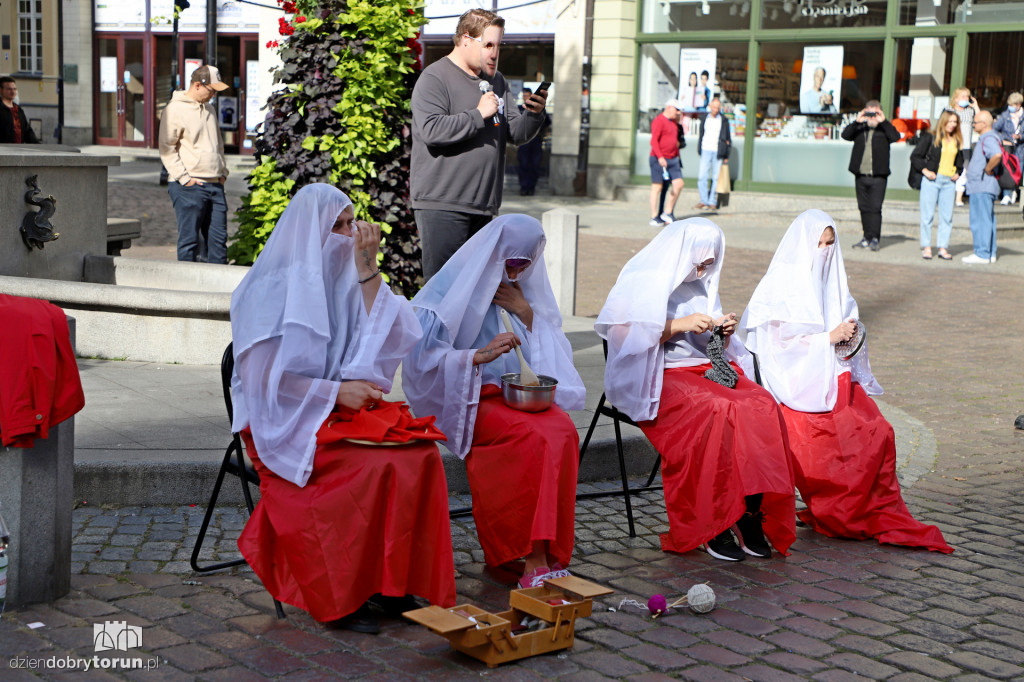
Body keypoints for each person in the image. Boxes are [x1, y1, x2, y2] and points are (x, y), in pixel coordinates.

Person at [230, 184, 456, 634]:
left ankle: (392, 584)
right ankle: (342, 593)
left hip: (335, 410)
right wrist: (335, 393)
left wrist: (368, 268)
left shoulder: (347, 275)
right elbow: (265, 385)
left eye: (353, 223)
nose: (351, 234)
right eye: (339, 226)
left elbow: (391, 329)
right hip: (283, 421)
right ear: (309, 231)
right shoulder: (266, 291)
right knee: (367, 469)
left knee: (419, 456)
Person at [740, 210, 952, 554]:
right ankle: (839, 510)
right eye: (818, 244)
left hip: (830, 375)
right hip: (792, 385)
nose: (824, 251)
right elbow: (775, 349)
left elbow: (846, 323)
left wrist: (849, 332)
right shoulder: (780, 284)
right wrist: (827, 337)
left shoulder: (832, 276)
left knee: (877, 430)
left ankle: (860, 508)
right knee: (832, 439)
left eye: (830, 244)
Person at [595, 218, 796, 562]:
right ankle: (712, 519)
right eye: (699, 263)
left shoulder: (701, 283)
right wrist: (676, 326)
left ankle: (749, 509)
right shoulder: (642, 278)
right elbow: (621, 338)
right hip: (656, 374)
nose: (703, 271)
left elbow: (707, 344)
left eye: (709, 265)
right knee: (715, 411)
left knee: (762, 404)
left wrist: (722, 331)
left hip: (703, 370)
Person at [402, 214, 585, 588]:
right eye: (511, 263)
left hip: (517, 396)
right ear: (495, 254)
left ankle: (549, 550)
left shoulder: (522, 293)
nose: (516, 274)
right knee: (533, 438)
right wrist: (476, 356)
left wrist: (526, 313)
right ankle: (529, 555)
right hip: (473, 400)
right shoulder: (450, 291)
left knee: (563, 430)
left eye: (525, 265)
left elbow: (555, 356)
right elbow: (420, 364)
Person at [411, 9, 549, 280]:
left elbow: (516, 133)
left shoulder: (497, 81)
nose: (495, 53)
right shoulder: (434, 77)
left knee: (475, 293)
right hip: (443, 204)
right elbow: (431, 130)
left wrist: (533, 114)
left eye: (499, 45)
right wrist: (478, 115)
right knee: (443, 293)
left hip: (484, 206)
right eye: (488, 45)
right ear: (465, 40)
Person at [158, 65, 230, 265]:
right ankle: (187, 292)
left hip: (215, 183)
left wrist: (222, 172)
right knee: (189, 242)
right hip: (189, 186)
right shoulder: (174, 110)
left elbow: (218, 143)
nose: (214, 94)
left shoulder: (210, 109)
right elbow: (166, 147)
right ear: (198, 85)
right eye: (211, 90)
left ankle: (218, 292)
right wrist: (184, 178)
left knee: (219, 242)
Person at [841, 100, 900, 252]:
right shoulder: (860, 128)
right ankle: (866, 237)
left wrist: (883, 121)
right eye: (869, 112)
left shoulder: (884, 129)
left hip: (879, 176)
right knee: (863, 208)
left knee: (875, 208)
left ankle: (874, 238)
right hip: (860, 175)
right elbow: (845, 135)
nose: (872, 117)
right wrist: (858, 120)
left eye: (875, 113)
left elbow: (895, 136)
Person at [910, 108, 963, 260]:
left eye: (955, 122)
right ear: (943, 121)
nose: (952, 125)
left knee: (947, 217)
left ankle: (943, 247)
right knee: (927, 216)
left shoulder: (957, 139)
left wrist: (958, 172)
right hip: (932, 180)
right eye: (950, 121)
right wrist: (925, 171)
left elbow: (960, 161)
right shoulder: (931, 137)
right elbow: (915, 157)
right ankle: (927, 247)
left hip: (949, 182)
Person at [963, 110, 1002, 264]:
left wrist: (987, 169)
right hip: (984, 185)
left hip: (982, 185)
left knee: (980, 220)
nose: (973, 125)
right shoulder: (990, 137)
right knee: (987, 219)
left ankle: (982, 253)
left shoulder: (988, 138)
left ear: (984, 124)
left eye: (975, 122)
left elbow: (997, 155)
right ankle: (989, 252)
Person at [649, 98, 684, 226]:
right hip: (659, 158)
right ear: (669, 107)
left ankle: (667, 212)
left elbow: (675, 142)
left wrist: (677, 156)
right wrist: (660, 157)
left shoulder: (674, 123)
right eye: (677, 110)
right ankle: (654, 216)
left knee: (679, 183)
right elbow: (654, 141)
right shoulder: (659, 121)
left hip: (673, 159)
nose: (678, 112)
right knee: (657, 187)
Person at [695, 98, 731, 211]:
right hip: (705, 148)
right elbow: (701, 134)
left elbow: (728, 139)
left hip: (718, 150)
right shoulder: (704, 118)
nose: (716, 109)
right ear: (710, 106)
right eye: (714, 107)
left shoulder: (724, 120)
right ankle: (703, 200)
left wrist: (726, 155)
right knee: (702, 176)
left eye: (718, 107)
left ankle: (712, 202)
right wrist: (699, 148)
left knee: (716, 177)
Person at [516, 88, 549, 196]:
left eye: (527, 96)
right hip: (523, 142)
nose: (525, 98)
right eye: (524, 96)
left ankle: (531, 188)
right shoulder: (519, 109)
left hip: (536, 140)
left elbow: (547, 121)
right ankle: (523, 187)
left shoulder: (538, 108)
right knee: (523, 165)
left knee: (534, 166)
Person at [993, 91, 1024, 205]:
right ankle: (1006, 195)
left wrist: (1020, 136)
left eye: (1012, 105)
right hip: (1008, 148)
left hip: (1020, 149)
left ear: (1019, 105)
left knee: (1017, 173)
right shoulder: (1005, 116)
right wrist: (1003, 138)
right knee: (1008, 172)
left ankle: (1013, 192)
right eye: (1009, 105)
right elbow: (995, 128)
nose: (1010, 107)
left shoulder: (1023, 117)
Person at [953, 88, 980, 207]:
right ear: (956, 98)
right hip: (952, 145)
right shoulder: (949, 111)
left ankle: (958, 198)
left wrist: (976, 107)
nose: (966, 99)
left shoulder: (970, 111)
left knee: (963, 172)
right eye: (963, 96)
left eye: (967, 96)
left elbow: (982, 120)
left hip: (966, 147)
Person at [0, 76, 41, 144]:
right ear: (1, 90)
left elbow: (27, 132)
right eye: (9, 89)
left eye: (14, 89)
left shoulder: (18, 110)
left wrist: (39, 147)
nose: (13, 92)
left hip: (18, 150)